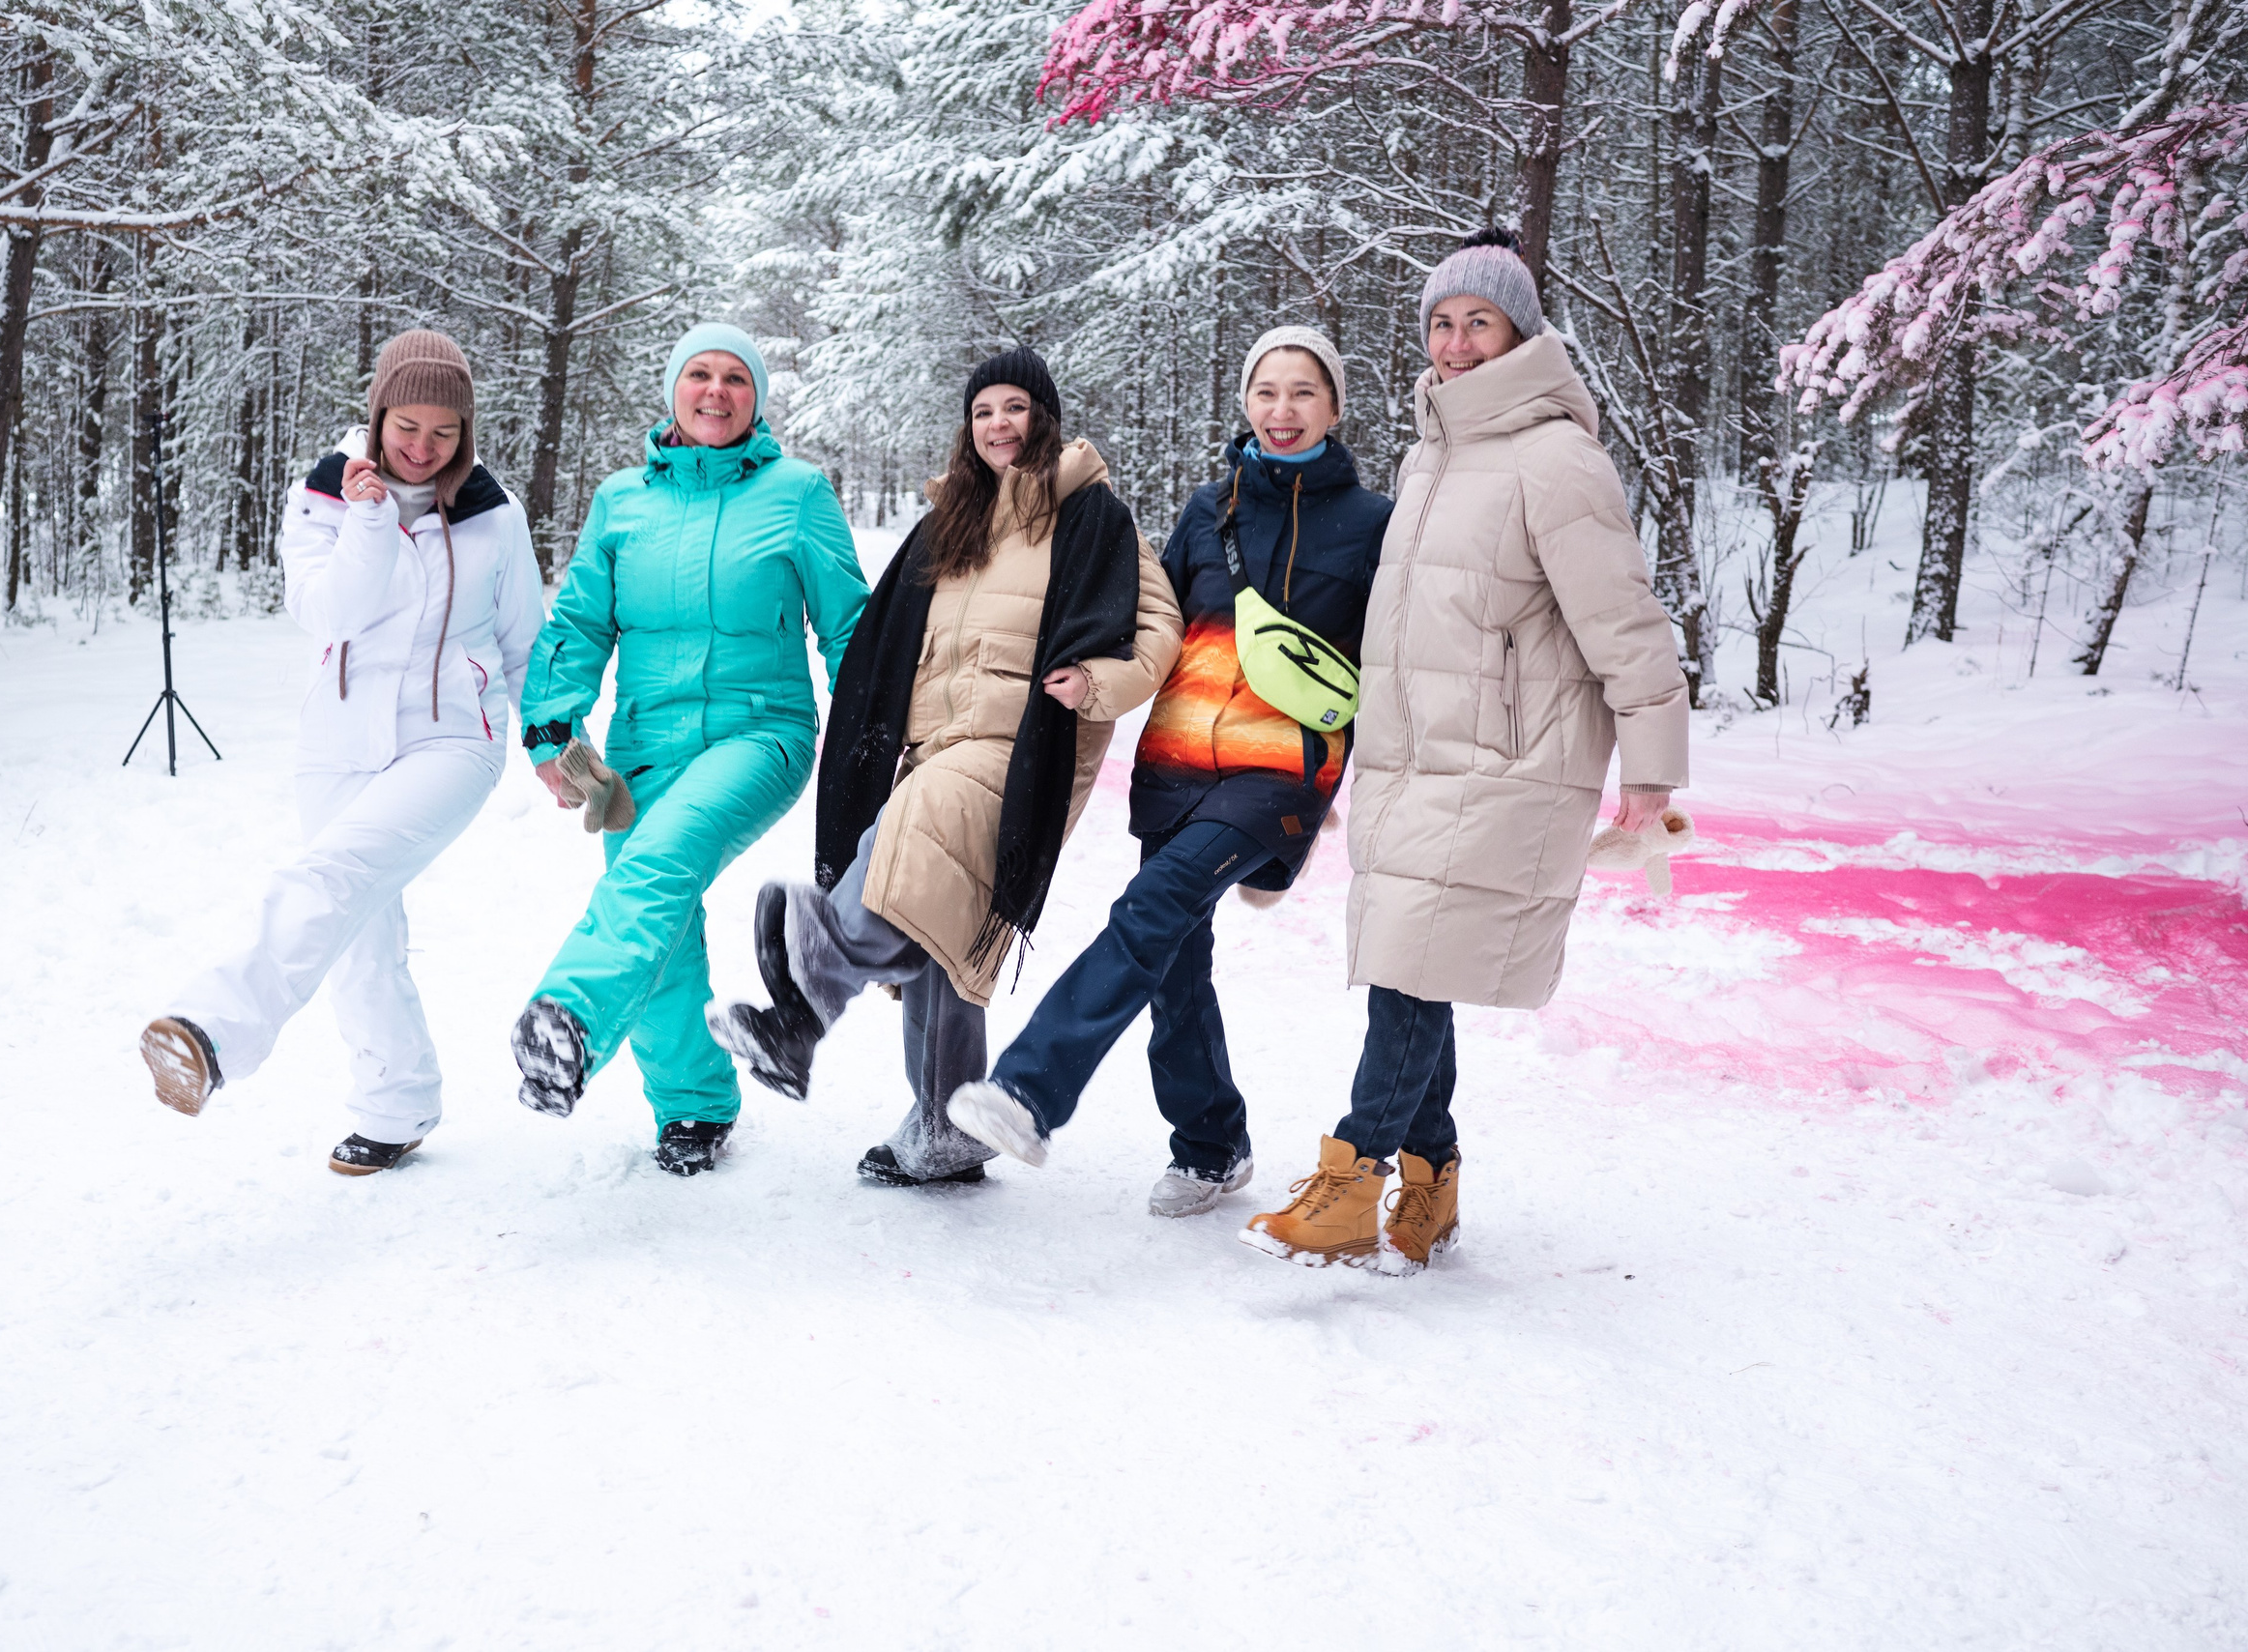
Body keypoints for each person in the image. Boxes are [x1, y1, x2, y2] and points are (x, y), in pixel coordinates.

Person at [1239, 227, 1690, 1270]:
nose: (1453, 344)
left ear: (1518, 333)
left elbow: (1623, 620)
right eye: (1440, 324)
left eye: (1476, 323)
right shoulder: (1430, 454)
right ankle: (1430, 1182)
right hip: (1417, 756)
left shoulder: (1554, 458)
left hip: (1505, 761)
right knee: (1416, 959)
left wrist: (1650, 766)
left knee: (1409, 965)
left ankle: (1353, 1179)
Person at [941, 328, 1391, 1217]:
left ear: (1336, 408)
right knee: (1176, 963)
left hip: (1280, 773)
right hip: (1179, 760)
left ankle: (1030, 1090)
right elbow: (1150, 626)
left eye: (1304, 393)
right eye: (1266, 391)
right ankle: (1213, 1145)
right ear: (1245, 403)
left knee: (1148, 913)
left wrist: (1352, 777)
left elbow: (1393, 661)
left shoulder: (1376, 524)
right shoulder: (1207, 509)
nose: (1283, 410)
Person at [707, 346, 1183, 1186]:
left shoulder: (1090, 515)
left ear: (1044, 415)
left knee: (907, 841)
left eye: (1015, 408)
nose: (999, 425)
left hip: (1023, 744)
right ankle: (946, 1130)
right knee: (941, 934)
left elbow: (1157, 631)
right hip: (934, 744)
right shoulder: (950, 522)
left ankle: (810, 995)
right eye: (983, 412)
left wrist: (1097, 683)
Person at [139, 330, 544, 1174]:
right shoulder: (322, 496)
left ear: (464, 431)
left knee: (330, 879)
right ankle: (396, 1106)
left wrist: (550, 742)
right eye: (407, 425)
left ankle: (212, 1029)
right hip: (336, 742)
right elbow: (330, 615)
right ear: (378, 412)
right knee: (359, 929)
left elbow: (523, 642)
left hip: (452, 738)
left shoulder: (493, 514)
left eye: (443, 432)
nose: (422, 447)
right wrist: (368, 519)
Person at [508, 323, 866, 1175]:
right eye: (698, 375)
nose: (715, 391)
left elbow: (852, 627)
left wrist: (875, 748)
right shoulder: (621, 500)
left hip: (761, 732)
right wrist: (553, 728)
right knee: (659, 923)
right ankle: (694, 1106)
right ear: (672, 391)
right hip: (642, 745)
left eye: (735, 379)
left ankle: (569, 1015)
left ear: (758, 400)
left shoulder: (798, 493)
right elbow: (581, 623)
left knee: (662, 860)